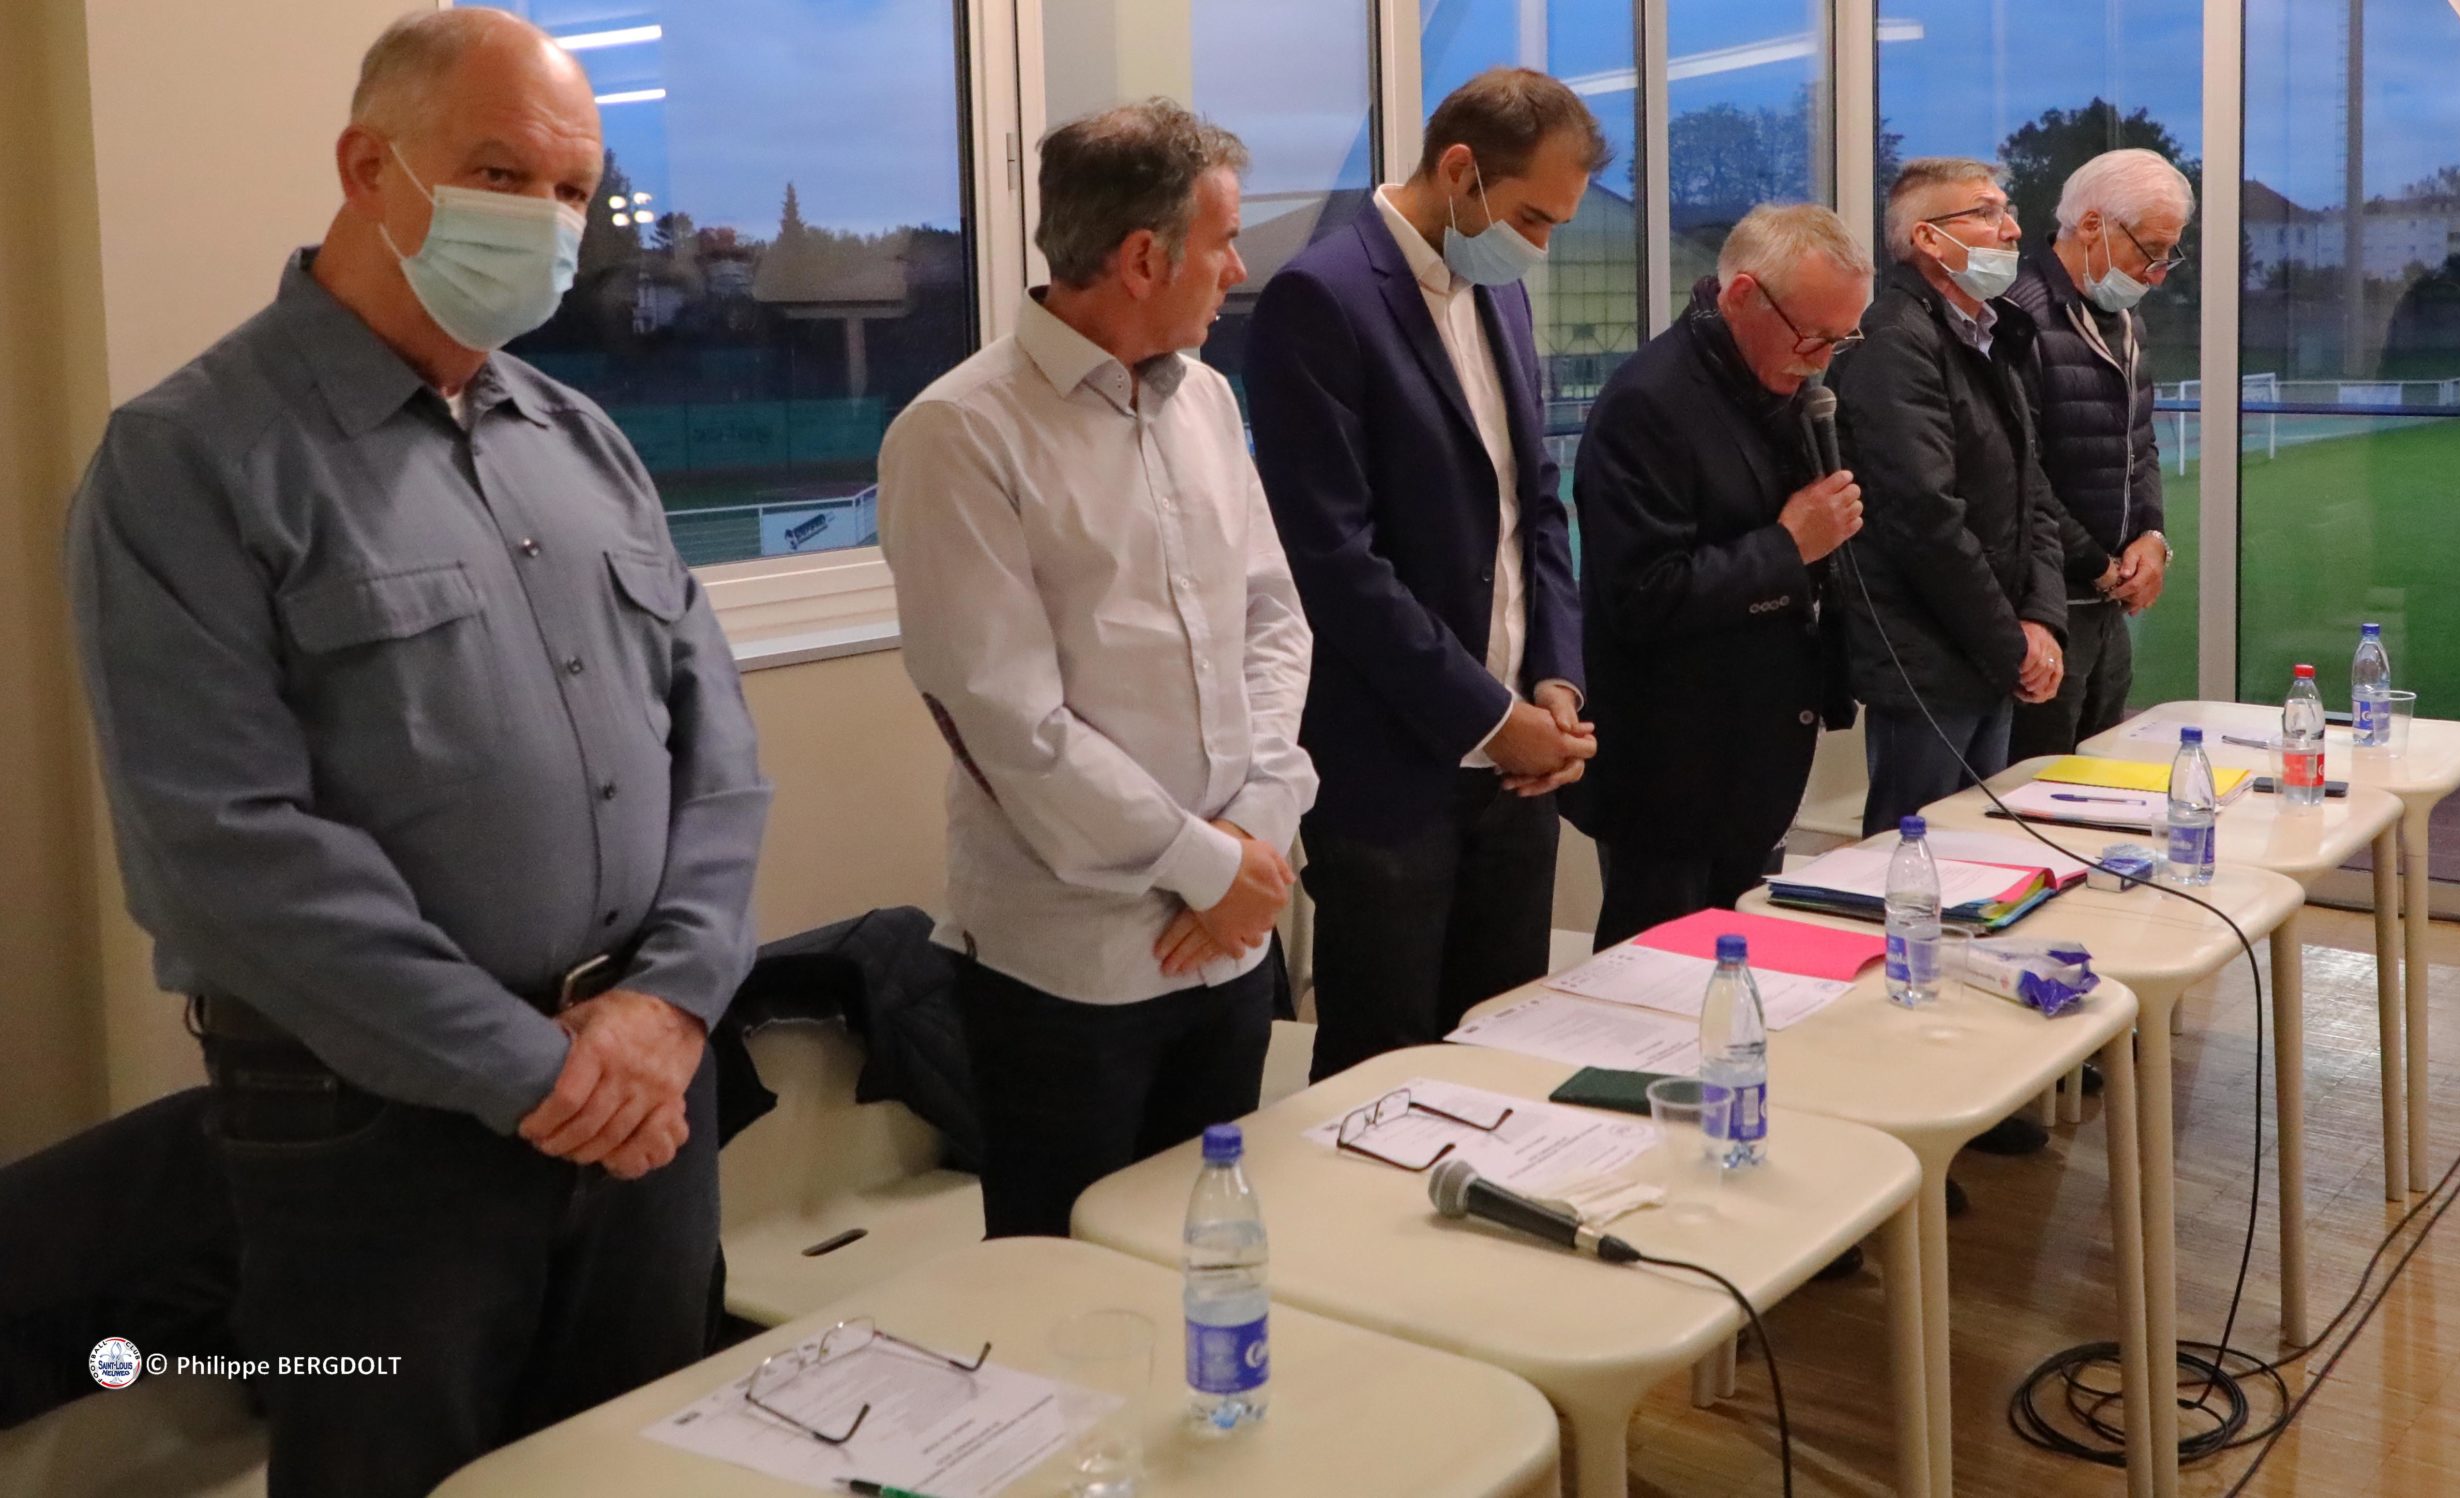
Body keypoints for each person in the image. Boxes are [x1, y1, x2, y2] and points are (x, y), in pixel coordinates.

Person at [63, 13, 770, 1495]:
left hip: (649, 1088)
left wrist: (668, 1005)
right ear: (366, 167)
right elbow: (224, 849)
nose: (548, 221)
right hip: (375, 1133)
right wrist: (541, 1072)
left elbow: (715, 750)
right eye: (503, 173)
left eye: (574, 190)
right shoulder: (190, 457)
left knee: (643, 1463)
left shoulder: (581, 441)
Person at [877, 101, 1316, 1239]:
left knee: (1210, 1251)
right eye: (1223, 243)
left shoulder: (1206, 400)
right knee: (1062, 1287)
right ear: (1141, 260)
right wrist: (1206, 866)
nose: (1237, 271)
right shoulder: (960, 433)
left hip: (1229, 942)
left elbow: (1273, 620)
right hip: (1074, 969)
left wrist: (1254, 834)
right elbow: (1009, 721)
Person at [1245, 69, 1606, 1081]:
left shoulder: (1500, 293)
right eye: (1530, 218)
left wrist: (1557, 682)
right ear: (1458, 171)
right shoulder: (1322, 297)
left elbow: (1538, 508)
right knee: (1385, 1071)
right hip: (1392, 767)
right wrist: (1488, 716)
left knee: (1502, 1054)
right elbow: (1333, 560)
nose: (1540, 248)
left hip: (1520, 767)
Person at [1572, 205, 1871, 946]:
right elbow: (1643, 595)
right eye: (1813, 336)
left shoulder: (1780, 392)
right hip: (1671, 778)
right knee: (1660, 988)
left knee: (1743, 979)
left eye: (1842, 339)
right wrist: (1788, 546)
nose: (1822, 361)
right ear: (1742, 296)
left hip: (1757, 766)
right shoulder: (1649, 401)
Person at [1834, 157, 2068, 838]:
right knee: (1914, 860)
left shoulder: (1991, 335)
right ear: (1928, 239)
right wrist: (2010, 643)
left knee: (1977, 854)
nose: (2012, 229)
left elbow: (2032, 490)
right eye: (1987, 212)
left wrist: (2041, 621)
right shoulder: (1893, 342)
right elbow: (1924, 519)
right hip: (1930, 663)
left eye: (2008, 210)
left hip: (1988, 653)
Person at [2005, 149, 2193, 762]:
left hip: (2107, 608)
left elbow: (2141, 441)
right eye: (2151, 250)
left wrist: (2153, 539)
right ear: (2091, 225)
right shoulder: (2019, 318)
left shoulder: (2125, 318)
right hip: (2045, 608)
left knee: (2099, 781)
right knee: (2037, 787)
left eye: (2169, 254)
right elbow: (2018, 474)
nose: (2158, 274)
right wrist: (2099, 566)